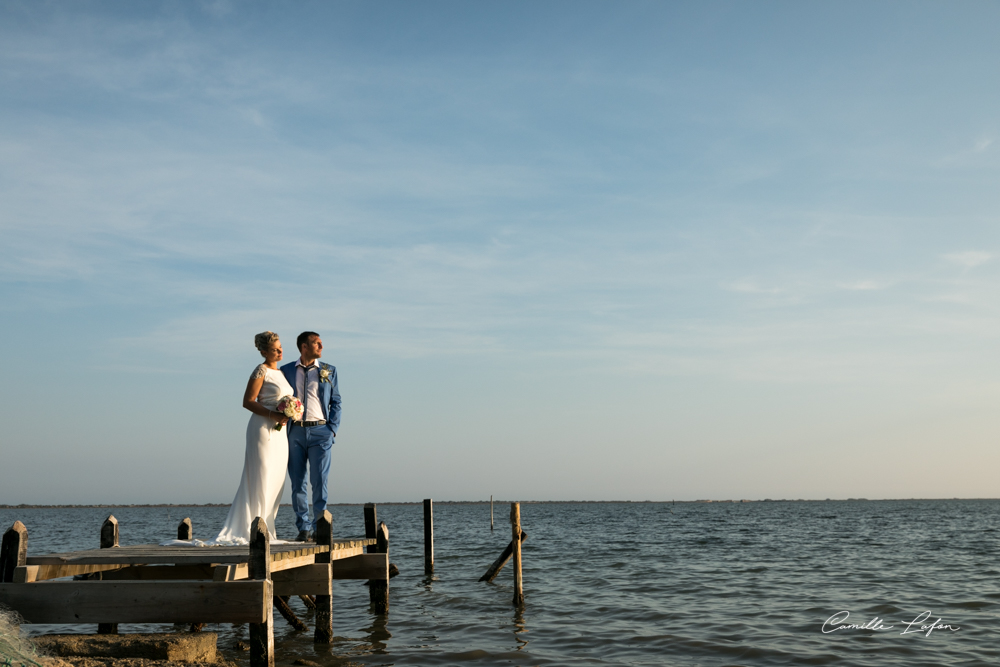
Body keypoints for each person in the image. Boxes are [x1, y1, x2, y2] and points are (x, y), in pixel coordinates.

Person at [212, 331, 295, 544]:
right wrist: (272, 414)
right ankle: (252, 528)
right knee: (262, 475)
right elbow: (248, 401)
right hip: (262, 428)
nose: (280, 350)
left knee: (276, 478)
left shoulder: (281, 373)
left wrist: (291, 411)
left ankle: (267, 528)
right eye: (275, 348)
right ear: (263, 351)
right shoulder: (261, 370)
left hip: (279, 430)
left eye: (280, 346)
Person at [281, 331, 341, 541]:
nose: (321, 347)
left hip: (321, 432)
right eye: (317, 343)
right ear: (304, 346)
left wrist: (332, 429)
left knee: (319, 480)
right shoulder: (286, 370)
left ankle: (320, 526)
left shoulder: (328, 370)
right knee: (297, 482)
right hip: (295, 431)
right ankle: (303, 528)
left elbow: (336, 401)